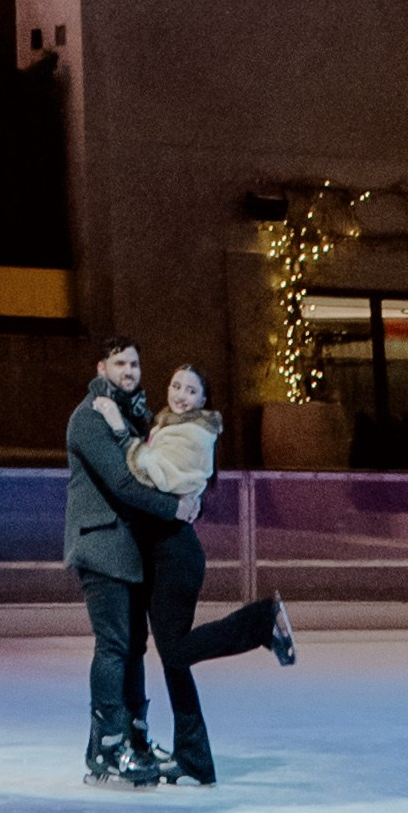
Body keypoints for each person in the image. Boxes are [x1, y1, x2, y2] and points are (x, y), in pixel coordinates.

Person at [133, 359, 296, 785]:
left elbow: (161, 476)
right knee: (174, 661)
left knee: (173, 652)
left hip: (176, 555)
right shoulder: (169, 428)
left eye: (191, 390)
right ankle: (194, 758)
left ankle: (261, 620)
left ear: (204, 400)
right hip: (165, 553)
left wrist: (131, 448)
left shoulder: (195, 433)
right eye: (176, 385)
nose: (181, 394)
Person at [63, 335, 200, 784]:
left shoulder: (136, 417)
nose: (129, 371)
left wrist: (188, 494)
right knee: (115, 645)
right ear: (101, 368)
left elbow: (156, 468)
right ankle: (106, 748)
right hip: (102, 546)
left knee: (135, 647)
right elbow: (123, 482)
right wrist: (174, 508)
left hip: (133, 549)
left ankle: (136, 739)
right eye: (119, 363)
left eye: (135, 364)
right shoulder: (88, 419)